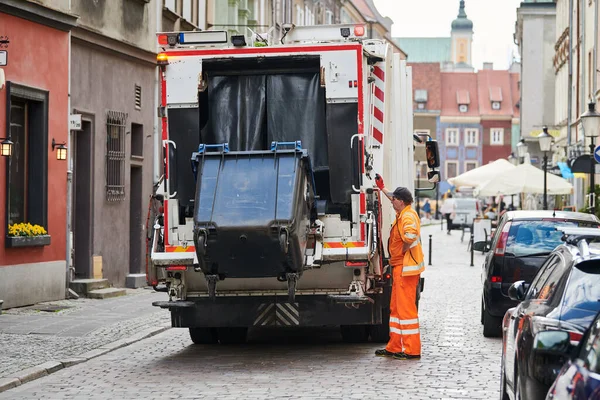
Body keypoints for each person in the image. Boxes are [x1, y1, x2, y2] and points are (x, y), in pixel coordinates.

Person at [373, 174, 424, 360]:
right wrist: (383, 188)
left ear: (401, 202)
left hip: (405, 268)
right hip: (401, 268)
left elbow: (410, 236)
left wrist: (401, 251)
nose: (392, 201)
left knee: (406, 310)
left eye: (394, 199)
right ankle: (394, 346)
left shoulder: (407, 216)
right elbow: (393, 199)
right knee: (395, 309)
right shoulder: (404, 212)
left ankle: (411, 350)